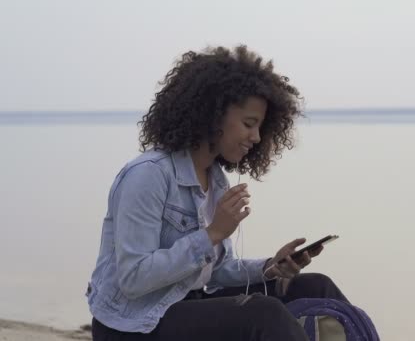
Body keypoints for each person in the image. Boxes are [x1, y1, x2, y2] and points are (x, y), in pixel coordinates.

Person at [86, 45, 348, 341]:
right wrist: (212, 234)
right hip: (133, 325)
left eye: (261, 127)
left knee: (316, 288)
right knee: (263, 314)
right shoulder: (148, 175)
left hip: (186, 304)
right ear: (212, 115)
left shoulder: (216, 179)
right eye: (249, 124)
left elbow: (218, 272)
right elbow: (133, 278)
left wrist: (271, 267)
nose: (257, 137)